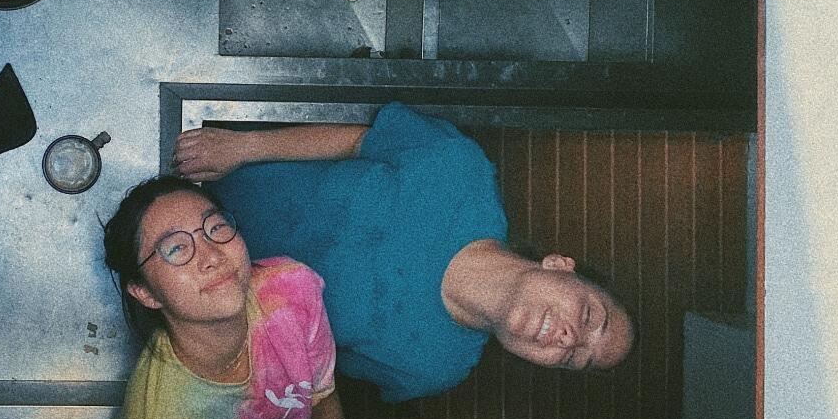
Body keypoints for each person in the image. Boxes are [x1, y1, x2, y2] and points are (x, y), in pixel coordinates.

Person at [172, 102, 634, 403]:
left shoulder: (433, 370)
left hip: (181, 286)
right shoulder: (461, 171)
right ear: (561, 266)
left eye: (574, 359)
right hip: (202, 179)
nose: (569, 339)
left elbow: (308, 359)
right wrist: (242, 146)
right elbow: (357, 142)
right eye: (590, 317)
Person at [103, 175, 354, 419]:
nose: (212, 256)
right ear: (145, 293)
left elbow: (322, 405)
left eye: (216, 228)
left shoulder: (291, 290)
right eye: (176, 248)